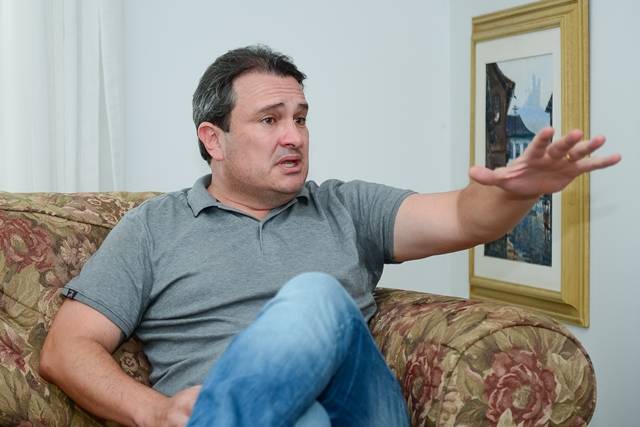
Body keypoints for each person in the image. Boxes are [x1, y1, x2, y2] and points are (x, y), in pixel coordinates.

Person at [39, 45, 621, 427]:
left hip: (359, 411)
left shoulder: (345, 206)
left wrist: (518, 192)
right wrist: (154, 412)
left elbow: (463, 218)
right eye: (270, 120)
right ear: (213, 139)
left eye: (301, 117)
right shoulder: (153, 228)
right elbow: (67, 349)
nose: (294, 136)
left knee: (315, 295)